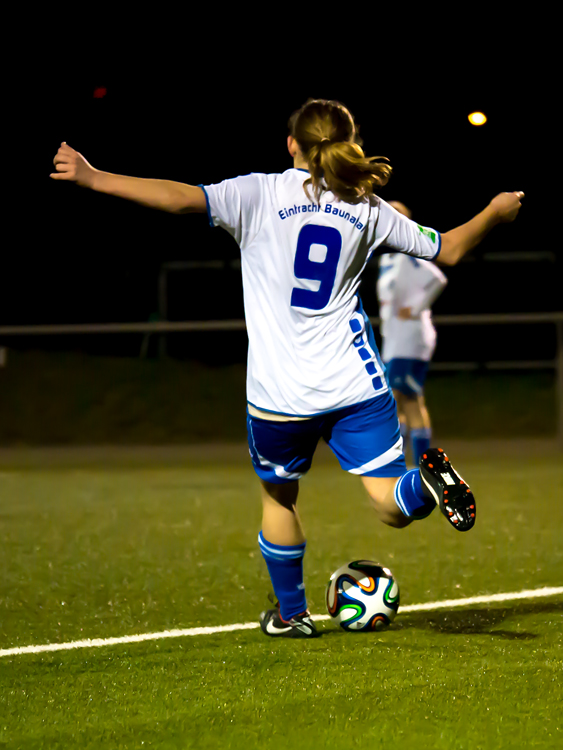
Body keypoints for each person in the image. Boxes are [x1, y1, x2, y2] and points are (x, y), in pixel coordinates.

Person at [50, 98, 524, 639]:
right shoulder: (366, 206)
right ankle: (425, 487)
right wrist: (495, 211)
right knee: (390, 504)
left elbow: (177, 198)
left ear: (292, 144)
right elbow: (450, 250)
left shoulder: (256, 193)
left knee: (279, 496)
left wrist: (92, 178)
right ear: (349, 141)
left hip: (280, 395)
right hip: (353, 383)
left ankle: (291, 614)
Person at [376, 201, 448, 466]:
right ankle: (408, 462)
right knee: (399, 402)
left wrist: (416, 307)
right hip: (394, 338)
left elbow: (438, 279)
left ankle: (420, 464)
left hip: (410, 338)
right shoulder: (388, 259)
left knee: (406, 399)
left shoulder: (411, 255)